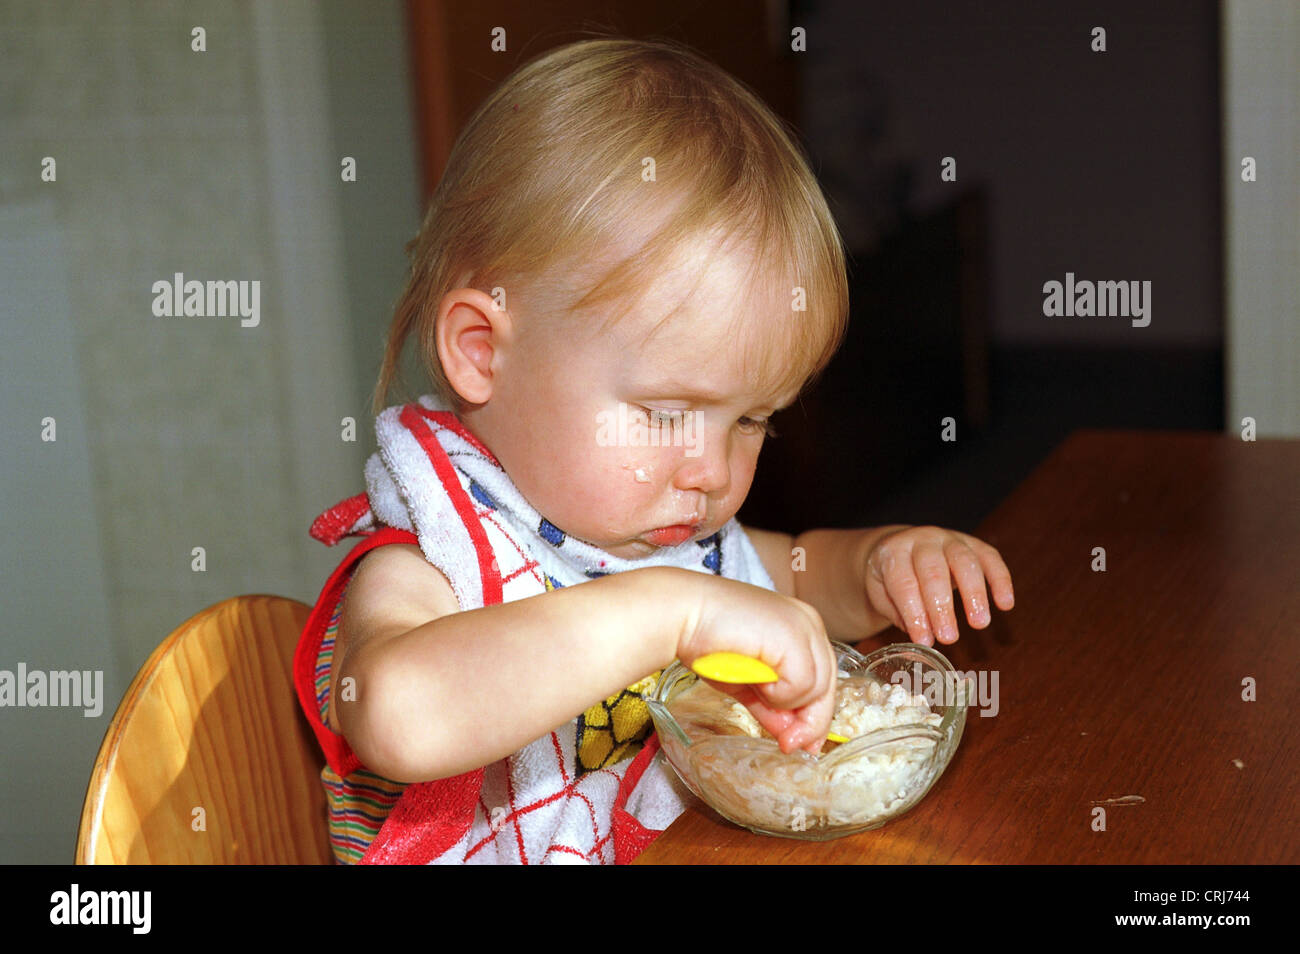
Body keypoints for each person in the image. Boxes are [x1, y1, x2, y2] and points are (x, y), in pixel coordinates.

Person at [293, 36, 1014, 865]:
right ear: (482, 351)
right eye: (669, 412)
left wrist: (885, 564)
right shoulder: (434, 561)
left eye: (754, 421)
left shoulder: (664, 531)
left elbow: (800, 575)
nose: (712, 473)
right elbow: (397, 716)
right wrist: (675, 614)